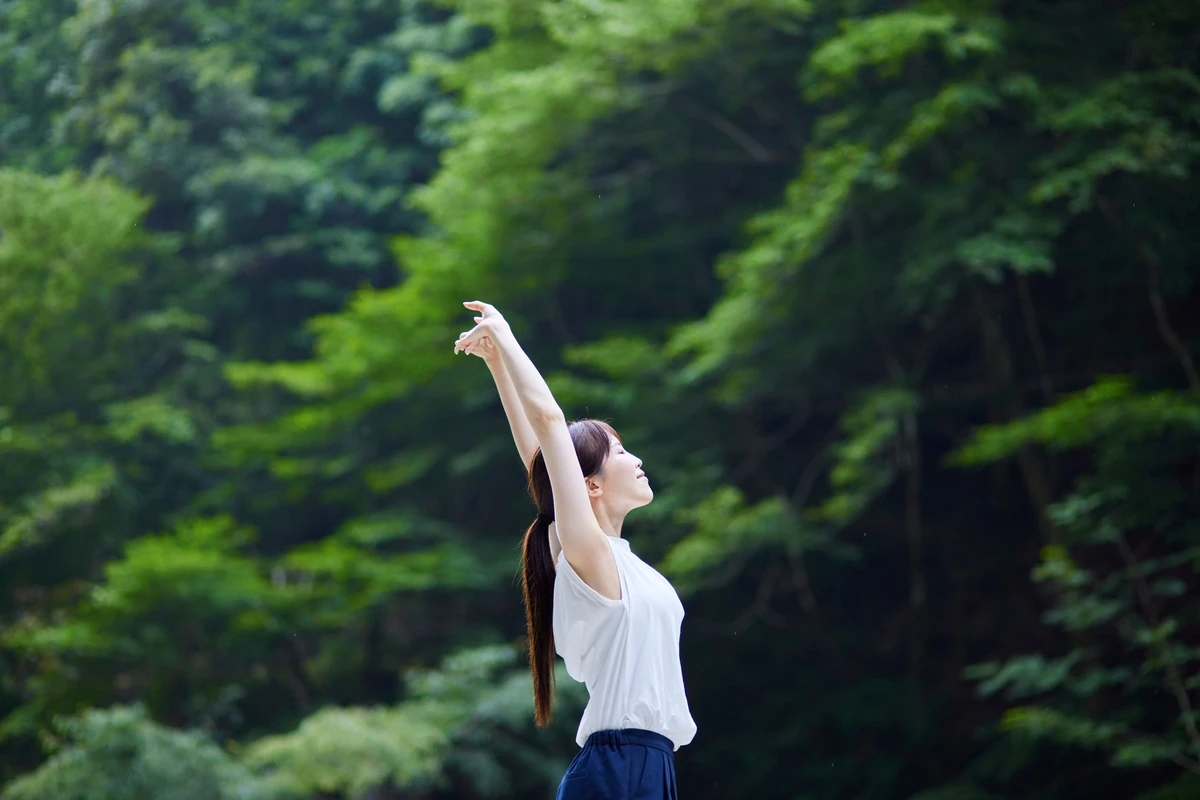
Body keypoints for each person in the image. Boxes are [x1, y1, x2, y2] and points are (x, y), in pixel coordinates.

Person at [454, 301, 696, 799]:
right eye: (621, 452)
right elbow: (548, 425)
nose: (637, 459)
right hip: (617, 765)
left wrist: (497, 364)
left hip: (652, 765)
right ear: (591, 485)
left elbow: (540, 462)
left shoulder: (617, 559)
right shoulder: (590, 555)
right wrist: (506, 338)